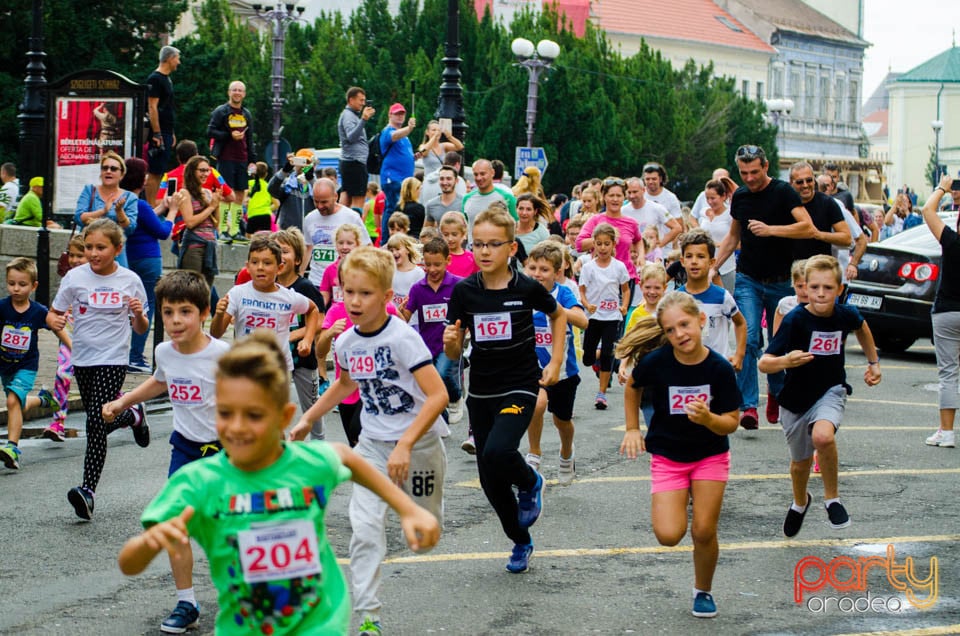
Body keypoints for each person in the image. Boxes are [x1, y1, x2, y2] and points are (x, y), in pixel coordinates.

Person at [118, 331, 441, 635]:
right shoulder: (198, 481)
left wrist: (408, 509)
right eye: (225, 413)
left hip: (318, 624)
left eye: (254, 415)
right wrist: (148, 544)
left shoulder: (305, 464)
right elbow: (129, 564)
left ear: (284, 418)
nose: (238, 426)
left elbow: (347, 458)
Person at [287, 246, 446, 633]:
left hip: (420, 447)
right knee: (365, 527)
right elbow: (344, 384)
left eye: (365, 293)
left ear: (387, 297)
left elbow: (438, 395)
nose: (353, 302)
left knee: (425, 536)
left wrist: (407, 443)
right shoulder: (346, 343)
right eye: (347, 292)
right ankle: (369, 617)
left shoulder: (403, 338)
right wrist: (308, 417)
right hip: (372, 447)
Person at [443, 206, 567, 573]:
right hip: (481, 389)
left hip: (520, 384)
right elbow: (454, 349)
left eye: (493, 244)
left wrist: (556, 362)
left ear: (511, 248)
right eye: (477, 244)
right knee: (489, 479)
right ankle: (520, 540)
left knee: (499, 450)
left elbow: (558, 315)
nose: (483, 251)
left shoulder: (526, 287)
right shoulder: (464, 292)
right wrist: (451, 342)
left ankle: (531, 480)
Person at [102, 270, 227, 633]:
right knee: (174, 525)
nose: (175, 320)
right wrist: (123, 401)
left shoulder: (223, 356)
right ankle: (186, 602)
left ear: (204, 313)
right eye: (168, 312)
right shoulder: (164, 351)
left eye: (185, 312)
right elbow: (160, 380)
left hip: (225, 454)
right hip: (185, 450)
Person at [618, 291, 741, 619]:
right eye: (670, 330)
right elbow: (632, 387)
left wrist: (708, 419)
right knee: (669, 535)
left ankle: (703, 590)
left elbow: (731, 422)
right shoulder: (656, 363)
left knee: (703, 530)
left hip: (710, 456)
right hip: (669, 457)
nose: (680, 334)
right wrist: (632, 428)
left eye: (684, 325)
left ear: (701, 321)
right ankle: (678, 497)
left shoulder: (719, 369)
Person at [759, 255, 881, 536]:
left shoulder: (845, 314)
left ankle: (832, 498)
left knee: (823, 437)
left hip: (831, 390)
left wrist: (873, 362)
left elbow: (861, 327)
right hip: (795, 399)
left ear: (840, 289)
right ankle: (800, 502)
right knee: (800, 464)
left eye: (828, 288)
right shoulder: (795, 320)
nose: (821, 294)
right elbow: (764, 362)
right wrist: (786, 361)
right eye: (814, 287)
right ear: (804, 289)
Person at [48, 219, 150, 519]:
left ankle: (87, 491)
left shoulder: (129, 280)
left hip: (114, 357)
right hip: (83, 358)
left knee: (95, 421)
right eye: (89, 247)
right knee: (98, 419)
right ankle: (131, 414)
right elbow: (55, 314)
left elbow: (142, 326)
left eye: (101, 248)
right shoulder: (75, 277)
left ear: (117, 249)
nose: (93, 253)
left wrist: (138, 314)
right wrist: (53, 322)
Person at [710, 144, 814, 431]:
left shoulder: (783, 192)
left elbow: (807, 227)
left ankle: (777, 395)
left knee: (779, 343)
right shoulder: (741, 197)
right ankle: (748, 406)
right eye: (744, 173)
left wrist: (771, 230)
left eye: (755, 172)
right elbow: (733, 236)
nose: (750, 178)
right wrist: (714, 266)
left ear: (766, 167)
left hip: (781, 281)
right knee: (750, 337)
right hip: (749, 279)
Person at [210, 235, 319, 383]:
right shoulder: (237, 293)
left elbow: (313, 310)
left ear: (279, 268)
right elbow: (215, 334)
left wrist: (307, 339)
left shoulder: (288, 297)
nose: (260, 267)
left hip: (278, 369)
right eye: (255, 262)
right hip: (245, 367)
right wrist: (219, 314)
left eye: (267, 263)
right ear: (248, 267)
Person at [523, 241, 587, 485]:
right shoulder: (523, 294)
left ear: (557, 272)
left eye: (544, 269)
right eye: (533, 268)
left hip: (563, 371)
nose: (537, 274)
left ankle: (566, 452)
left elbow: (583, 321)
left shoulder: (563, 293)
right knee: (537, 404)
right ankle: (534, 453)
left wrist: (556, 309)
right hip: (534, 367)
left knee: (562, 420)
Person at [0, 258, 63, 470]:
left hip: (27, 365)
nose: (16, 289)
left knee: (11, 401)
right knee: (17, 402)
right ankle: (44, 399)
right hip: (6, 366)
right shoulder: (2, 307)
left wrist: (74, 348)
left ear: (34, 286)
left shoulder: (37, 311)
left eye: (22, 284)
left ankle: (12, 448)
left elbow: (56, 327)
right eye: (11, 283)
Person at [119, 157, 178, 374]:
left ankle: (126, 353)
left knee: (128, 308)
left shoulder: (123, 201)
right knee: (145, 308)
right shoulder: (139, 203)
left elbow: (142, 221)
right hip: (148, 260)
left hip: (128, 258)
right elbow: (163, 232)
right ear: (141, 179)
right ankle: (135, 355)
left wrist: (161, 207)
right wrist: (172, 211)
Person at [403, 237, 464, 424]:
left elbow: (469, 309)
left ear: (448, 261)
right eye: (428, 264)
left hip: (450, 342)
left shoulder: (458, 285)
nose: (432, 269)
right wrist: (396, 312)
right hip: (426, 343)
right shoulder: (417, 288)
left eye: (437, 264)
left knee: (443, 373)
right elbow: (405, 317)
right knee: (430, 384)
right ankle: (441, 417)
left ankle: (455, 398)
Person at [921, 176, 960, 449]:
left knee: (948, 373)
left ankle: (946, 432)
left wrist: (942, 187)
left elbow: (927, 210)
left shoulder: (952, 240)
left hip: (948, 311)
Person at [675, 229, 746, 372]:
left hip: (718, 368)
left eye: (701, 256)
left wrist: (739, 355)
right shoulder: (676, 298)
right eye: (689, 256)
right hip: (686, 368)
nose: (694, 261)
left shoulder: (722, 297)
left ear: (711, 262)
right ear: (682, 261)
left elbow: (740, 323)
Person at [275, 228, 325, 423]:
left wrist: (293, 337)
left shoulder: (305, 287)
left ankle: (317, 447)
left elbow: (319, 321)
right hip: (277, 358)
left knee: (312, 412)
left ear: (297, 260)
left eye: (285, 251)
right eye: (276, 250)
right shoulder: (268, 288)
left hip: (303, 358)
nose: (280, 255)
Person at [579, 223, 631, 410]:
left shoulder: (619, 267)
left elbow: (625, 290)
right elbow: (582, 291)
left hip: (612, 316)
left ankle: (601, 393)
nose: (602, 248)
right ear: (594, 244)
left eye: (606, 244)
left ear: (613, 245)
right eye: (599, 243)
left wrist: (624, 306)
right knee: (588, 357)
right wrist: (586, 304)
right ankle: (595, 363)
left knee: (609, 352)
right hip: (593, 317)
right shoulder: (589, 268)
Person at [42, 236, 86, 443]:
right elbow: (56, 311)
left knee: (98, 382)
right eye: (73, 255)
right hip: (68, 336)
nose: (75, 260)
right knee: (63, 375)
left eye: (81, 255)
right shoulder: (68, 280)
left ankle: (124, 407)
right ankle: (57, 422)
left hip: (93, 341)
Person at [207, 80, 257, 242]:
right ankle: (222, 230)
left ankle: (235, 230)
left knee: (240, 194)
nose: (237, 93)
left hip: (242, 158)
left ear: (244, 94)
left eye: (240, 90)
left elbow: (250, 139)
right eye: (234, 90)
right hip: (225, 157)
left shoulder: (247, 114)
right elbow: (210, 131)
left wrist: (253, 160)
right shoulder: (221, 112)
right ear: (229, 92)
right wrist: (229, 135)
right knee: (224, 194)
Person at [303, 178, 371, 290]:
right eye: (316, 201)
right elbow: (308, 248)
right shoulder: (310, 218)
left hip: (343, 282)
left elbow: (367, 248)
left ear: (335, 196)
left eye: (324, 202)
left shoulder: (351, 217)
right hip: (316, 281)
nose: (320, 206)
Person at [576, 177, 645, 287]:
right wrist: (602, 238)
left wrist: (641, 255)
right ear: (603, 197)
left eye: (619, 196)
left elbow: (638, 240)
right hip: (600, 277)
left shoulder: (631, 223)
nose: (615, 199)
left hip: (625, 278)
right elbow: (579, 245)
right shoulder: (595, 220)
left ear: (624, 197)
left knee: (623, 305)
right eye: (611, 195)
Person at [74, 151, 139, 267]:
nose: (108, 171)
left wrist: (119, 211)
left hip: (116, 254)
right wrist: (103, 211)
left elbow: (130, 228)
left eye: (113, 169)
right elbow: (79, 217)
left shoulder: (130, 197)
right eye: (105, 168)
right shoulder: (90, 190)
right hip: (88, 253)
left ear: (122, 174)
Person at [789, 162, 851, 262]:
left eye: (809, 180)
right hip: (791, 270)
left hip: (820, 268)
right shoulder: (784, 203)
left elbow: (847, 239)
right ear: (791, 182)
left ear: (814, 180)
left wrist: (818, 234)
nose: (805, 185)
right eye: (800, 182)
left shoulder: (827, 203)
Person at [176, 155, 221, 289]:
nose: (205, 174)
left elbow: (216, 224)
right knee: (192, 289)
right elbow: (190, 222)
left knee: (206, 290)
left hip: (210, 246)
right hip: (194, 247)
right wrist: (211, 207)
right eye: (201, 170)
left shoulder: (207, 192)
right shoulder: (185, 193)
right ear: (192, 171)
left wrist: (216, 204)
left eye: (207, 170)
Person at [146, 45, 181, 206]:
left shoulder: (167, 79)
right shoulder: (155, 79)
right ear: (169, 58)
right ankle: (150, 205)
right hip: (158, 132)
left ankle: (153, 204)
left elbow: (167, 106)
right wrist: (157, 133)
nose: (178, 62)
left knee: (160, 170)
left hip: (167, 129)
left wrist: (171, 131)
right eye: (177, 58)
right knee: (154, 171)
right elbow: (152, 106)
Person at [379, 103, 417, 237]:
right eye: (397, 114)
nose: (400, 116)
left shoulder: (405, 138)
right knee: (394, 209)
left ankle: (390, 238)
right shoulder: (388, 131)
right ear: (390, 115)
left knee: (393, 208)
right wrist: (409, 128)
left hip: (402, 179)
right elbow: (394, 136)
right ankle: (388, 238)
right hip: (393, 178)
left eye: (402, 114)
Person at [338, 87, 376, 209]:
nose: (363, 103)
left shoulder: (350, 115)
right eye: (361, 100)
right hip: (355, 162)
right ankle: (354, 226)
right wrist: (364, 119)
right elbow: (351, 137)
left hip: (350, 162)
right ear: (351, 100)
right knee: (358, 200)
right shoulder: (349, 116)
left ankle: (340, 224)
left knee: (346, 197)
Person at [697, 177, 738, 292]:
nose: (710, 202)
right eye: (707, 198)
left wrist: (720, 244)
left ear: (723, 196)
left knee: (726, 299)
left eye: (713, 198)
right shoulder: (704, 212)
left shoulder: (731, 215)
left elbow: (739, 242)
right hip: (705, 266)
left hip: (726, 267)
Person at [461, 159, 517, 240]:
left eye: (483, 174)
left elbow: (516, 226)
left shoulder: (507, 198)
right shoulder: (467, 199)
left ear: (492, 173)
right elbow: (465, 226)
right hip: (473, 249)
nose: (479, 178)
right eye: (476, 174)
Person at [621, 176, 679, 249]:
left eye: (635, 192)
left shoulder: (657, 208)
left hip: (654, 257)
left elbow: (677, 228)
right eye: (629, 192)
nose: (632, 196)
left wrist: (659, 245)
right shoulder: (623, 211)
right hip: (632, 255)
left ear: (643, 190)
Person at [269, 150, 317, 231]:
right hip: (289, 235)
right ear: (295, 163)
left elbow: (323, 198)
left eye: (307, 162)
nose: (303, 166)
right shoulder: (287, 184)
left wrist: (311, 179)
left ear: (313, 166)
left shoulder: (316, 185)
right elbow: (271, 189)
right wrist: (284, 171)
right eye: (301, 161)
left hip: (310, 234)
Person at [642, 163, 683, 245]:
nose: (650, 182)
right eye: (647, 179)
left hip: (665, 248)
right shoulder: (640, 195)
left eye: (654, 179)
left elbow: (679, 225)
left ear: (660, 179)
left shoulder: (671, 198)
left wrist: (660, 245)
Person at [386, 233, 424, 315]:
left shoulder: (418, 273)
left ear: (407, 250)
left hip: (413, 320)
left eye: (397, 249)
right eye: (391, 250)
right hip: (394, 318)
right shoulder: (390, 271)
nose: (394, 253)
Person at [439, 211, 477, 278]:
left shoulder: (472, 258)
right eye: (446, 235)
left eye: (454, 234)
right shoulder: (438, 256)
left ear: (463, 234)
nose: (450, 239)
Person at [244, 161, 276, 236]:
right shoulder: (269, 186)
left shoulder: (249, 184)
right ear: (266, 174)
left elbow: (243, 198)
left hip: (253, 214)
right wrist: (266, 209)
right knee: (265, 239)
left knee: (248, 237)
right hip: (266, 215)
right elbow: (276, 204)